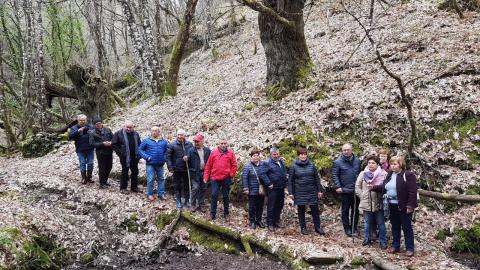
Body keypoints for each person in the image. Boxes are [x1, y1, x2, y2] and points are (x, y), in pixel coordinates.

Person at [370, 156, 418, 257]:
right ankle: (395, 246)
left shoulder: (408, 175)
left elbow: (413, 192)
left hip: (403, 206)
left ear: (401, 164)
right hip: (391, 205)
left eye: (395, 164)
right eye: (391, 164)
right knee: (395, 226)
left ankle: (410, 248)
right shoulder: (390, 175)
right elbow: (384, 187)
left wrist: (410, 206)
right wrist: (373, 187)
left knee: (406, 227)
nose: (392, 166)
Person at [288, 148, 325, 235]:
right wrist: (291, 193)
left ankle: (318, 227)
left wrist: (319, 190)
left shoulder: (312, 165)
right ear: (298, 155)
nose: (303, 156)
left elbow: (317, 178)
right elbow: (290, 181)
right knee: (301, 210)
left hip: (312, 191)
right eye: (301, 154)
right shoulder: (293, 166)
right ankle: (303, 227)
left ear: (306, 155)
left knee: (315, 210)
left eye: (304, 154)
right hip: (299, 191)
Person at [355, 155, 388, 249]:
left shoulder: (383, 174)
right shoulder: (363, 173)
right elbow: (357, 186)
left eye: (373, 163)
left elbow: (385, 188)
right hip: (366, 201)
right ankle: (366, 239)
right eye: (369, 163)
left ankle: (382, 241)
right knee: (367, 222)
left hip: (379, 201)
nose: (371, 165)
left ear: (377, 164)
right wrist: (362, 196)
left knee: (381, 223)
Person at [203, 138, 238, 221]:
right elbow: (208, 166)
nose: (223, 145)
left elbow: (234, 165)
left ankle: (226, 214)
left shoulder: (230, 153)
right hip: (215, 178)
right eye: (221, 143)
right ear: (218, 144)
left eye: (224, 143)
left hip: (226, 178)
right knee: (214, 195)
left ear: (227, 144)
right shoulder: (213, 153)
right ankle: (212, 213)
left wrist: (231, 174)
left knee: (226, 196)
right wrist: (205, 177)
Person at [332, 143, 361, 237]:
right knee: (345, 210)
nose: (346, 151)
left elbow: (360, 174)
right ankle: (347, 228)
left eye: (348, 150)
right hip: (344, 190)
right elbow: (335, 175)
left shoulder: (357, 161)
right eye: (344, 150)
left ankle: (354, 227)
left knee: (355, 210)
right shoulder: (337, 162)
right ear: (342, 151)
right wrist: (338, 186)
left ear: (351, 150)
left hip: (356, 190)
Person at [242, 149, 271, 229]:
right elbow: (244, 178)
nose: (256, 157)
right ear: (251, 157)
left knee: (260, 206)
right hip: (252, 190)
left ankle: (259, 220)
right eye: (254, 156)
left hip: (261, 190)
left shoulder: (263, 165)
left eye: (257, 155)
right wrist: (246, 188)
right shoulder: (248, 166)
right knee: (252, 207)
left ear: (259, 156)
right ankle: (252, 221)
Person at [261, 147, 288, 232]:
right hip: (272, 189)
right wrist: (269, 183)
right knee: (271, 206)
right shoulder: (267, 163)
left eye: (277, 154)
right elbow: (262, 174)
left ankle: (276, 221)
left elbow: (283, 172)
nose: (276, 156)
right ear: (271, 154)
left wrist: (286, 179)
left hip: (281, 187)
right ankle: (270, 223)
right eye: (274, 154)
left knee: (280, 205)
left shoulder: (280, 161)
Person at [139, 126, 168, 201]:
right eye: (153, 131)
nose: (154, 132)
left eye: (156, 131)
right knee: (150, 179)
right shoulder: (146, 140)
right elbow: (140, 150)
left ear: (159, 132)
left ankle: (161, 194)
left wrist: (164, 158)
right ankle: (150, 194)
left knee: (161, 179)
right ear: (151, 132)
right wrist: (146, 157)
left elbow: (167, 151)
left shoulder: (164, 141)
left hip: (160, 164)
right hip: (150, 163)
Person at [166, 129, 193, 209]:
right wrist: (170, 167)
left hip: (186, 169)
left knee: (187, 185)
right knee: (177, 185)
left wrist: (188, 158)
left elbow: (192, 155)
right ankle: (178, 201)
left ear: (185, 136)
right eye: (178, 135)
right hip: (176, 169)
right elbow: (168, 157)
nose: (179, 136)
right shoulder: (172, 144)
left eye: (181, 135)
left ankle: (187, 200)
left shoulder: (189, 144)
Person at [112, 121, 141, 193]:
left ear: (133, 127)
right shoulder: (118, 133)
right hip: (125, 157)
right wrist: (120, 153)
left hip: (135, 156)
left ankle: (134, 187)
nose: (128, 129)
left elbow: (139, 143)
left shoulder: (136, 134)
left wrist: (139, 154)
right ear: (124, 126)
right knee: (125, 171)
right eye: (127, 127)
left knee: (135, 171)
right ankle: (123, 188)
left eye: (130, 127)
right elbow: (114, 144)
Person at [187, 134, 211, 212]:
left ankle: (201, 205)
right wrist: (186, 158)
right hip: (194, 173)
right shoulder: (191, 150)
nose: (196, 143)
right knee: (195, 188)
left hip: (205, 173)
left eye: (198, 141)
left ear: (202, 141)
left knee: (203, 188)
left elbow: (210, 161)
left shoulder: (207, 150)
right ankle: (193, 205)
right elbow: (188, 159)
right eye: (195, 141)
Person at [68, 114, 94, 184]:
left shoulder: (90, 126)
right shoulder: (74, 128)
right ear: (78, 120)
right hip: (80, 149)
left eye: (84, 120)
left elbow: (95, 134)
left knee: (90, 163)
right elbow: (70, 137)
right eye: (81, 120)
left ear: (86, 120)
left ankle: (89, 177)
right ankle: (83, 178)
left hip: (90, 149)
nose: (82, 121)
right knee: (82, 163)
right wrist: (78, 131)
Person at [88, 117, 113, 188]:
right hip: (100, 152)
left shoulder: (107, 129)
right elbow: (91, 144)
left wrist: (111, 142)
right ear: (94, 125)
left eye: (99, 123)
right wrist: (102, 144)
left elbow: (113, 138)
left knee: (109, 167)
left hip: (109, 151)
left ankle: (105, 181)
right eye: (96, 124)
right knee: (102, 168)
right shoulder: (92, 133)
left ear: (102, 123)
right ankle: (102, 183)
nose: (98, 125)